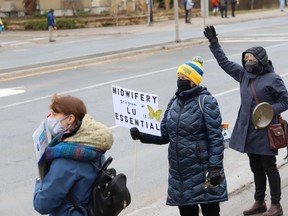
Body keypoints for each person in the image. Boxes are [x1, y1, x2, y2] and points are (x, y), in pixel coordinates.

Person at [204, 25, 288, 216]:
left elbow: (285, 100)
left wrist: (268, 111)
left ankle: (276, 205)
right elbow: (224, 62)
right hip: (248, 131)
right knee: (255, 166)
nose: (248, 62)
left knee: (269, 167)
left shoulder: (273, 79)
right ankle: (259, 202)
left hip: (265, 131)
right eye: (245, 59)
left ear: (261, 61)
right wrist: (214, 43)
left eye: (252, 60)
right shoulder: (243, 75)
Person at [129, 56, 228, 216]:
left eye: (184, 78)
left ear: (193, 81)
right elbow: (164, 134)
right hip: (180, 174)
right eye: (178, 77)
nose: (179, 80)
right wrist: (142, 134)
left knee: (211, 212)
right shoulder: (173, 102)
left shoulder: (206, 102)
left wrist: (215, 167)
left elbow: (216, 138)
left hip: (203, 172)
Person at [33, 94, 113, 215]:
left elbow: (42, 204)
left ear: (70, 119)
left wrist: (40, 180)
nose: (50, 118)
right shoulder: (93, 145)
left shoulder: (65, 162)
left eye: (54, 114)